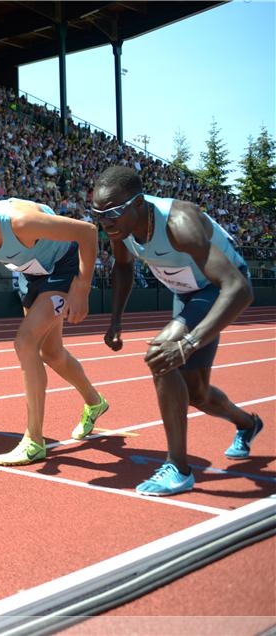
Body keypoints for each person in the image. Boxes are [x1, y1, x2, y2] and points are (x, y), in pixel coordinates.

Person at [92, 166, 263, 496]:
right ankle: (248, 424)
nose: (105, 221)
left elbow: (239, 288)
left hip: (218, 287)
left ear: (139, 204)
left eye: (112, 212)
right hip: (186, 294)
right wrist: (115, 320)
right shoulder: (120, 229)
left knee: (162, 354)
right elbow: (124, 266)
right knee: (197, 394)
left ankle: (178, 469)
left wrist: (187, 344)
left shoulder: (179, 223)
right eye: (98, 213)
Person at [0, 192, 110, 465]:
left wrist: (82, 287)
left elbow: (87, 232)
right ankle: (95, 401)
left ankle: (34, 440)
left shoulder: (21, 222)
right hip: (32, 274)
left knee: (25, 342)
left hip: (63, 268)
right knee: (51, 353)